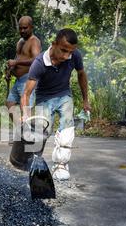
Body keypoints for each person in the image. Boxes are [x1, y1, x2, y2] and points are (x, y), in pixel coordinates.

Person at [20, 28, 91, 181]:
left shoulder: (74, 56)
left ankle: (61, 165)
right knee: (42, 132)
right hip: (44, 98)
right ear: (54, 44)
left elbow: (81, 74)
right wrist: (25, 114)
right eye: (64, 50)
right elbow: (26, 93)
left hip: (64, 95)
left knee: (67, 129)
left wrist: (86, 100)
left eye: (70, 52)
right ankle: (35, 164)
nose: (67, 56)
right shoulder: (39, 63)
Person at [6, 16, 42, 125]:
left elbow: (37, 60)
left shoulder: (34, 41)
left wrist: (16, 63)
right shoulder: (20, 42)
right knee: (9, 104)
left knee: (25, 109)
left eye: (25, 28)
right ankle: (22, 130)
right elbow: (18, 58)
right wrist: (10, 71)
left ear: (31, 27)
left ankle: (27, 134)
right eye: (20, 28)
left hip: (28, 79)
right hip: (18, 80)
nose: (22, 31)